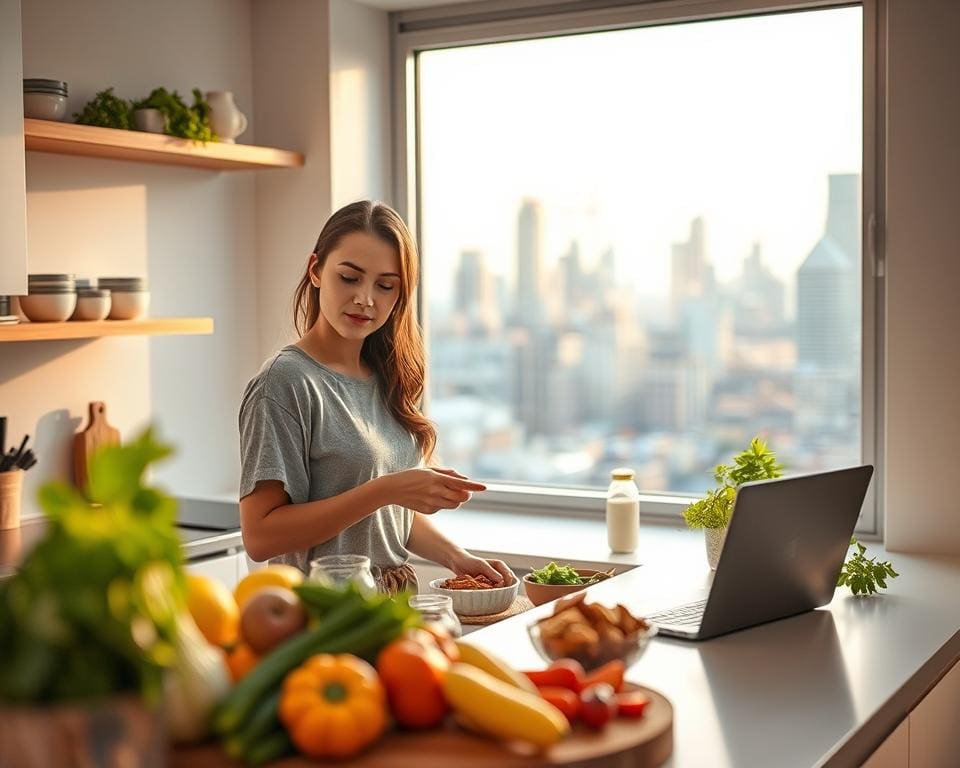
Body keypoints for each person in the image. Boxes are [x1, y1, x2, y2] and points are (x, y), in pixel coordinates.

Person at [239, 200, 514, 595]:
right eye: (349, 278)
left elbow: (385, 517)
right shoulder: (284, 384)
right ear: (316, 271)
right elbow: (261, 536)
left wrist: (457, 557)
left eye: (385, 286)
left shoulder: (386, 375)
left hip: (393, 606)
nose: (366, 299)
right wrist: (385, 489)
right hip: (323, 614)